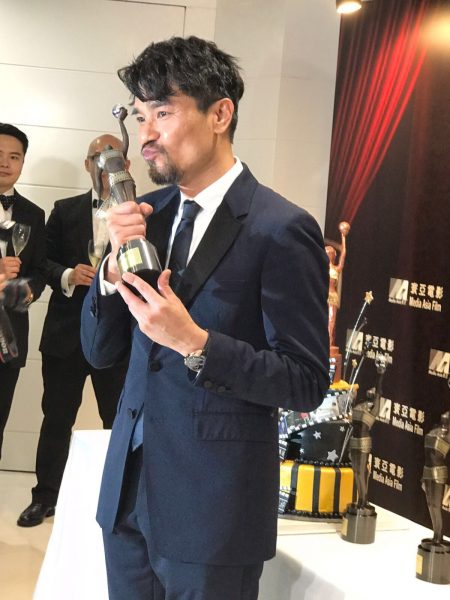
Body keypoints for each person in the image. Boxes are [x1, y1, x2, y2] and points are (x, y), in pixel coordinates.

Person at [81, 36, 329, 600]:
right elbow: (100, 351)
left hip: (213, 512)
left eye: (163, 113)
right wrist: (109, 272)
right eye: (140, 116)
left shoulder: (280, 228)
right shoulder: (150, 216)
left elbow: (305, 381)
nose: (146, 134)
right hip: (127, 499)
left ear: (220, 114)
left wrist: (196, 343)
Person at [17, 135, 129, 527]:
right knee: (56, 417)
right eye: (100, 156)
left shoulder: (141, 213)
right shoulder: (64, 210)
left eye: (115, 156)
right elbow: (41, 261)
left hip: (118, 335)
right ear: (87, 164)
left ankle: (117, 503)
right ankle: (45, 497)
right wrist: (67, 274)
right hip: (66, 333)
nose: (107, 163)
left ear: (127, 165)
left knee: (118, 422)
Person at [0, 123, 46, 460]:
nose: (5, 163)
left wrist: (20, 290)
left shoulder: (34, 214)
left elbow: (39, 273)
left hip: (9, 336)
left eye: (14, 157)